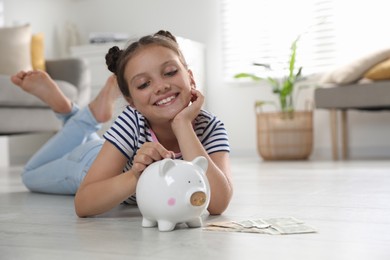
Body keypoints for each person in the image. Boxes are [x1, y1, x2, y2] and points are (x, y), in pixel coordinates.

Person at [11, 30, 233, 218]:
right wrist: (137, 174)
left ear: (191, 78)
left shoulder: (211, 127)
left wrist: (183, 124)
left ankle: (77, 116)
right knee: (29, 175)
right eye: (144, 84)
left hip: (109, 148)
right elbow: (84, 204)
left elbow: (218, 204)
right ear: (131, 102)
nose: (161, 86)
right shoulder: (132, 121)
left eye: (170, 72)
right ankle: (74, 113)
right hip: (87, 163)